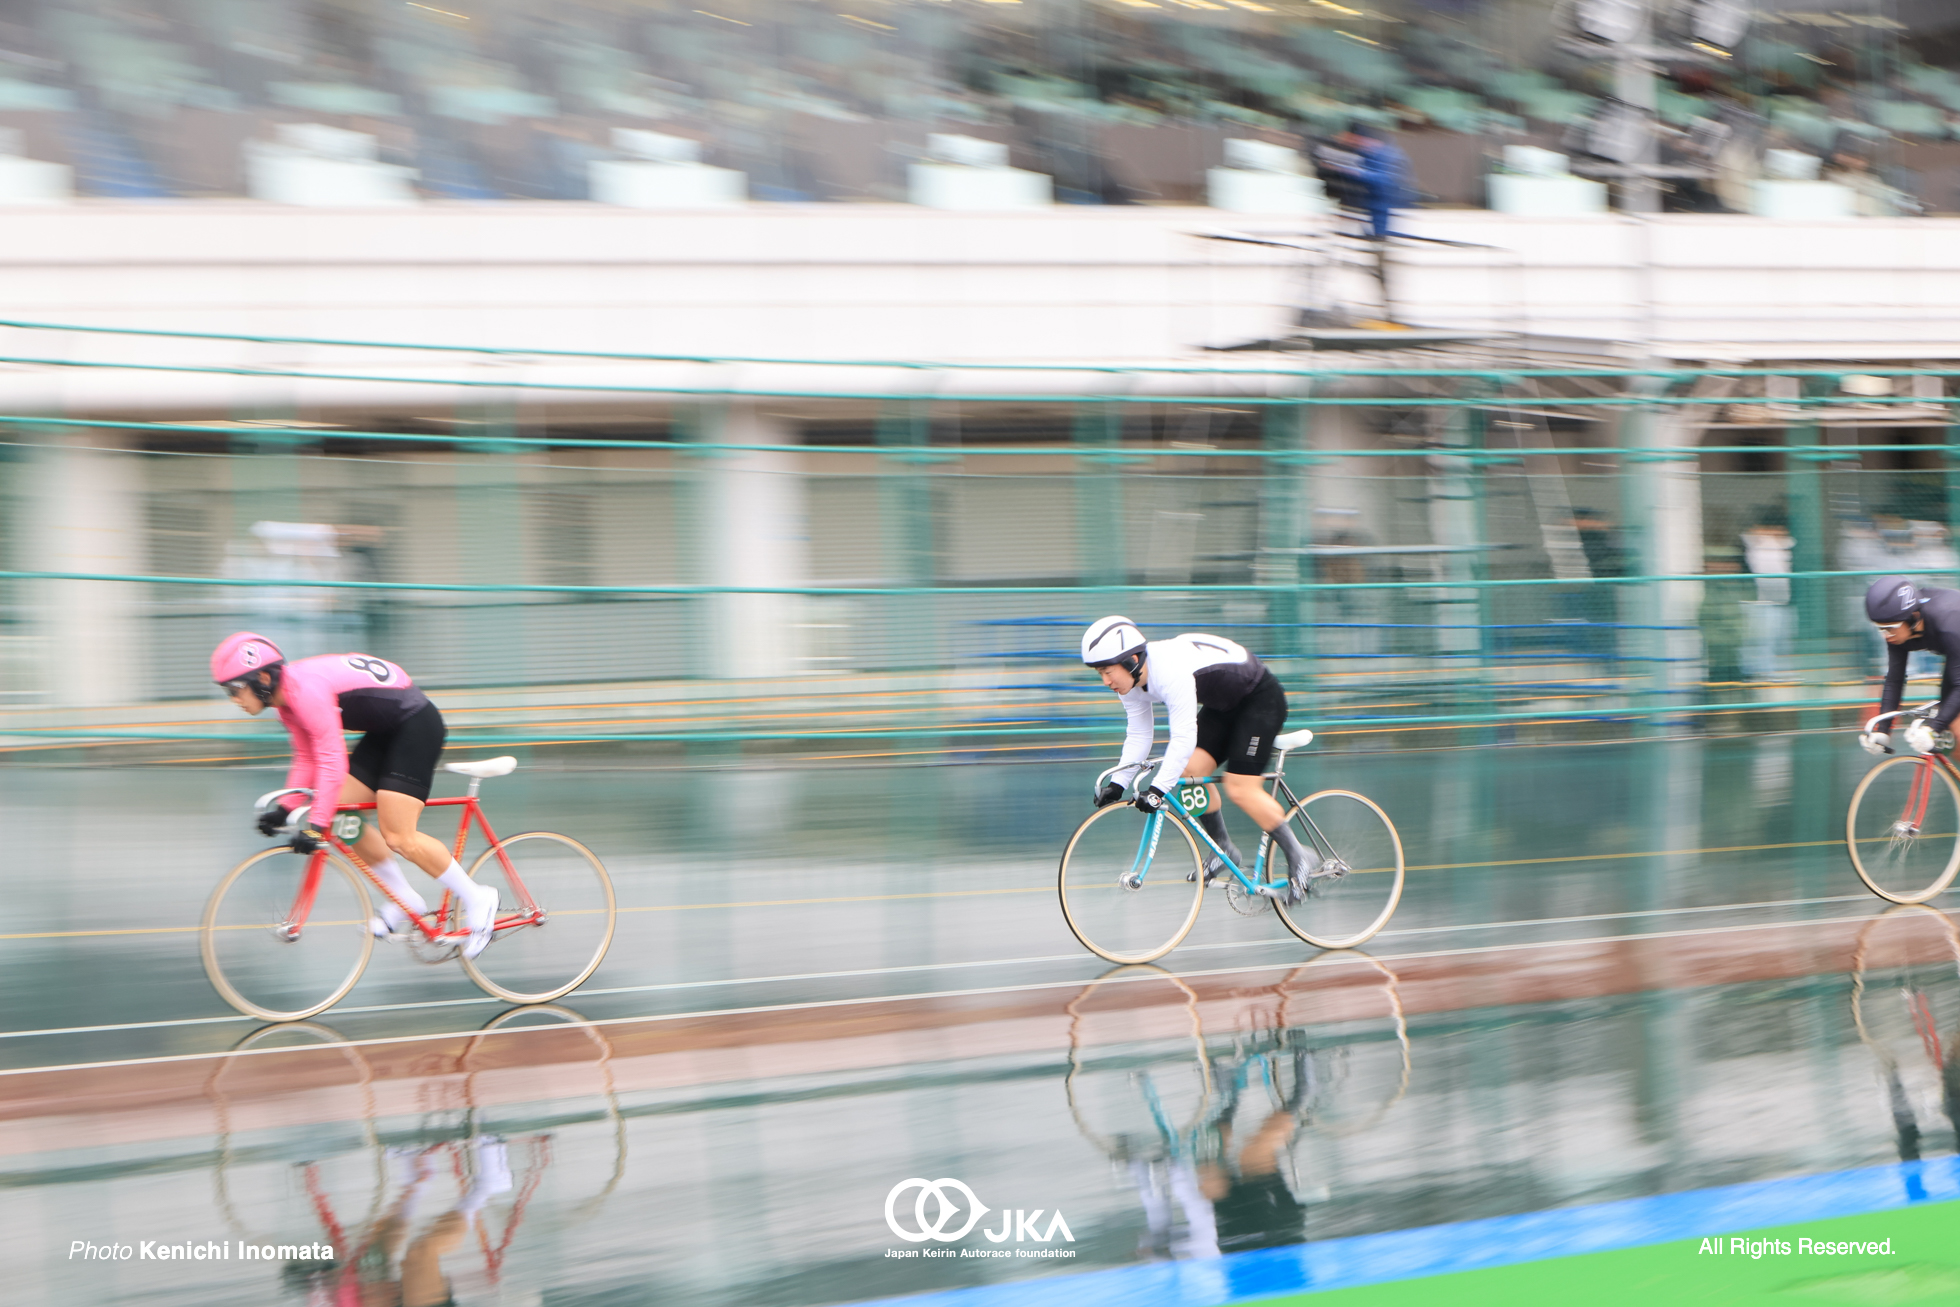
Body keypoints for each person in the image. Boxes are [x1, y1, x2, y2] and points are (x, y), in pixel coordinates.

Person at [210, 631, 499, 958]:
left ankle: (478, 897)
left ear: (262, 677)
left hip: (416, 725)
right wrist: (285, 807)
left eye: (236, 688)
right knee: (341, 810)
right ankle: (405, 899)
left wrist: (315, 825)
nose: (234, 699)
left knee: (399, 836)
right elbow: (307, 757)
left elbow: (332, 759)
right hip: (386, 732)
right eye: (227, 691)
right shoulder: (285, 702)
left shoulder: (305, 692)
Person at [1081, 617, 1320, 899]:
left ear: (1132, 660)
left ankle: (1299, 854)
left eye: (1108, 671)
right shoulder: (1130, 681)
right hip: (1224, 706)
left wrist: (1158, 790)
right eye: (1100, 673)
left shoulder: (1169, 670)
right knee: (1188, 770)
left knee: (1240, 787)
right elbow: (1138, 735)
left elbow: (1183, 738)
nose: (1106, 681)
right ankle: (1223, 849)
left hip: (1259, 698)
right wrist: (1119, 783)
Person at [1859, 577, 1960, 758]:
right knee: (1950, 734)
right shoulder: (1897, 629)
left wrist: (1933, 728)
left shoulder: (1947, 623)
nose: (1886, 635)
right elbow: (1894, 679)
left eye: (1890, 628)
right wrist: (1883, 731)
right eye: (1880, 629)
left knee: (1955, 728)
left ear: (1913, 617)